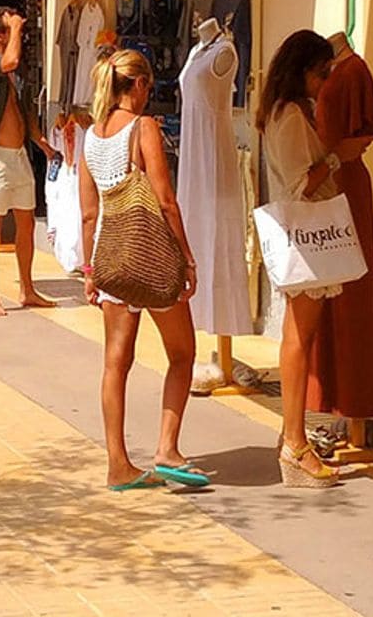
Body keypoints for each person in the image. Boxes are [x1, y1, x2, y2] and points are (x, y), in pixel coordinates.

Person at [78, 49, 209, 492]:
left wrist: (90, 271)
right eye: (149, 87)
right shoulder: (144, 128)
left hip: (112, 260)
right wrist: (187, 258)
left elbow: (89, 214)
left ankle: (118, 464)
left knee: (116, 363)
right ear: (137, 85)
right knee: (182, 354)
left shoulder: (90, 137)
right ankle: (167, 449)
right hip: (151, 258)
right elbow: (165, 199)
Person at [257, 30, 346, 488]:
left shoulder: (280, 113)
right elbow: (300, 183)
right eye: (320, 73)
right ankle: (295, 441)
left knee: (299, 336)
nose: (323, 82)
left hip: (304, 235)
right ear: (302, 71)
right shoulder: (290, 115)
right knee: (299, 336)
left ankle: (292, 434)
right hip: (308, 234)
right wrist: (335, 159)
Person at [310, 30, 373, 455]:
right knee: (325, 299)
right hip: (321, 183)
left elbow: (359, 138)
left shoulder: (354, 71)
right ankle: (333, 406)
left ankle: (358, 409)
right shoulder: (324, 68)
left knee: (352, 297)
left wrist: (332, 159)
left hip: (345, 184)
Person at [0, 6, 56, 316]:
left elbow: (22, 111)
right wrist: (15, 26)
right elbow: (10, 60)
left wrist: (40, 142)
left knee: (26, 222)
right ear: (0, 35)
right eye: (12, 30)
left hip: (19, 156)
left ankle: (27, 289)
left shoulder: (14, 74)